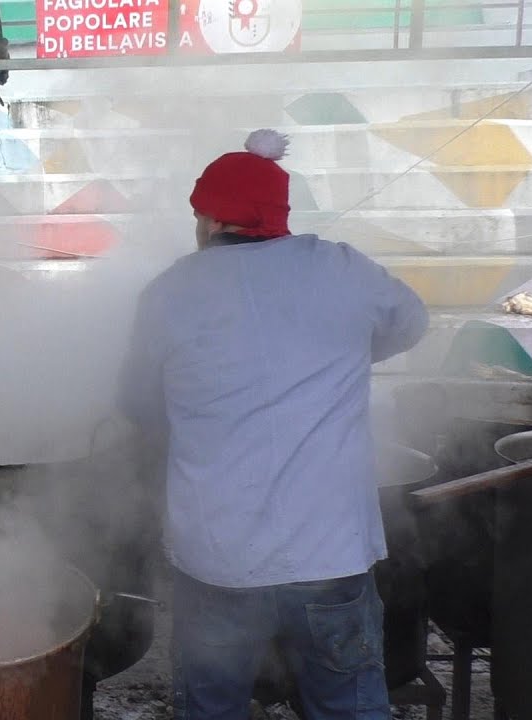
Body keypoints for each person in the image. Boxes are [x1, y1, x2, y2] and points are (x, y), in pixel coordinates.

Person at [118, 129, 429, 720]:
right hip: (331, 556)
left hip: (218, 561)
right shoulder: (343, 268)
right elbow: (412, 324)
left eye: (198, 216)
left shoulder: (169, 292)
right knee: (348, 709)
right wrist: (346, 354)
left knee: (212, 710)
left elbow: (137, 403)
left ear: (212, 220)